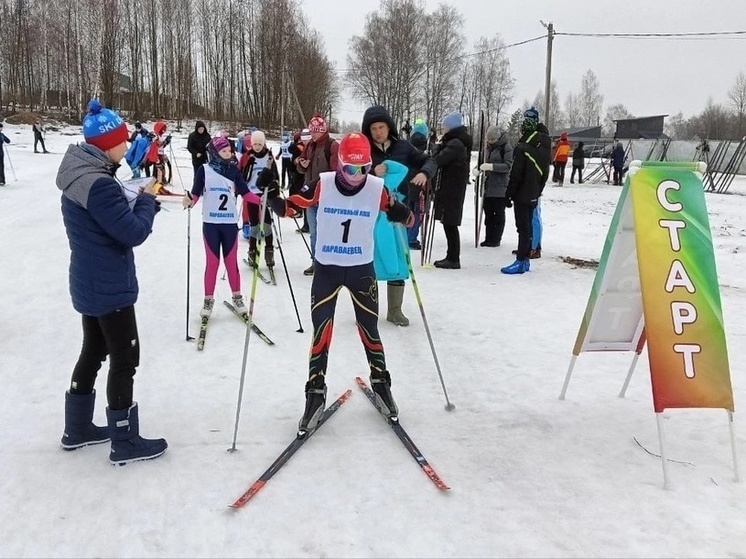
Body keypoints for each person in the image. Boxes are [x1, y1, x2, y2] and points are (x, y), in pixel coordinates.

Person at [265, 132, 414, 434]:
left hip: (361, 271)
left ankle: (381, 382)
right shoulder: (324, 183)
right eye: (350, 168)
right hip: (327, 271)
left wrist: (404, 213)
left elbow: (405, 217)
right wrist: (271, 196)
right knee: (322, 333)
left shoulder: (377, 188)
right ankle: (315, 391)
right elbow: (293, 207)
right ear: (341, 164)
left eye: (363, 169)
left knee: (369, 330)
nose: (356, 176)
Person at [56, 99, 167, 465]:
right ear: (108, 142)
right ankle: (124, 440)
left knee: (94, 348)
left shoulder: (82, 172)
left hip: (89, 280)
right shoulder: (99, 184)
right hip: (108, 285)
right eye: (123, 139)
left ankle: (78, 429)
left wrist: (131, 197)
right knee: (125, 356)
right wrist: (147, 200)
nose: (128, 144)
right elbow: (132, 232)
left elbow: (106, 220)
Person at [362, 105, 436, 326]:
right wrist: (370, 171)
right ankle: (367, 309)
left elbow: (429, 161)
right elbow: (348, 173)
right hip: (370, 213)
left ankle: (395, 310)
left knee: (398, 257)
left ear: (389, 127)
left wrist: (424, 172)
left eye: (381, 127)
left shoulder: (403, 147)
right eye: (373, 128)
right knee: (370, 261)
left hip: (398, 211)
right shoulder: (364, 150)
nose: (377, 132)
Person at [182, 136, 261, 318]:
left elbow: (246, 193)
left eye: (229, 151)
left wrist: (262, 200)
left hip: (229, 225)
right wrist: (188, 201)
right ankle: (208, 300)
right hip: (210, 224)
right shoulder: (204, 170)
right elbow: (195, 194)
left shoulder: (234, 171)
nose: (228, 154)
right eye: (224, 151)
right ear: (215, 153)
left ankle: (237, 297)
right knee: (213, 263)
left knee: (231, 262)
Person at [501, 107, 551, 275]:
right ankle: (525, 259)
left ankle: (521, 261)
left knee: (523, 228)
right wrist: (538, 190)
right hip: (534, 192)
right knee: (529, 226)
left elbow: (515, 175)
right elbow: (545, 172)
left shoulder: (522, 148)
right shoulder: (544, 146)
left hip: (522, 194)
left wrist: (508, 194)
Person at [295, 115, 339, 276]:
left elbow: (337, 171)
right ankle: (316, 261)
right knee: (314, 232)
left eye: (316, 132)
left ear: (323, 131)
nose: (312, 135)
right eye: (311, 131)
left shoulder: (332, 146)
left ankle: (329, 262)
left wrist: (325, 182)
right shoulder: (310, 146)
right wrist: (301, 163)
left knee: (327, 231)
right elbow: (300, 166)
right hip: (310, 195)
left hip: (326, 196)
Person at [432, 112, 472, 270]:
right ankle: (451, 256)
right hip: (452, 185)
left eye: (445, 126)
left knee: (450, 222)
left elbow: (438, 160)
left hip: (452, 187)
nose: (444, 128)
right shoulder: (456, 141)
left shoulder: (456, 143)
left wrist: (436, 147)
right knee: (448, 222)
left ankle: (453, 258)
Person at [239, 130, 280, 269]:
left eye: (259, 144)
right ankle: (252, 252)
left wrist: (275, 190)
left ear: (263, 144)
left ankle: (269, 252)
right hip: (252, 194)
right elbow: (243, 176)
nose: (257, 146)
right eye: (254, 144)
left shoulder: (269, 157)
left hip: (265, 195)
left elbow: (275, 176)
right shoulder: (248, 156)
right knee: (254, 225)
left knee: (267, 225)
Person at [475, 125, 513, 247]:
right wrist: (477, 169)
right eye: (488, 139)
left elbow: (508, 166)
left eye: (492, 139)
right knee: (488, 214)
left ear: (498, 138)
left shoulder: (506, 148)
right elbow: (482, 163)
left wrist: (492, 167)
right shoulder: (487, 149)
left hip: (500, 187)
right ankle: (488, 237)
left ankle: (496, 239)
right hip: (488, 186)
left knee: (499, 215)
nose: (490, 141)